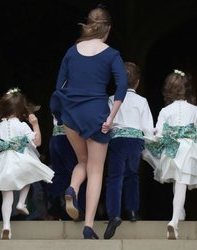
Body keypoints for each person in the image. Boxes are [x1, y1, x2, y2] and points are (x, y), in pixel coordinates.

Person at [50, 6, 128, 239]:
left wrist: (62, 112)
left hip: (71, 113)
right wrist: (111, 117)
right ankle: (88, 226)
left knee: (82, 161)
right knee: (96, 170)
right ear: (108, 29)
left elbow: (59, 85)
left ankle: (72, 188)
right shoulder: (112, 54)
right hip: (96, 113)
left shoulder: (72, 52)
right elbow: (122, 86)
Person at [0, 88, 54, 239]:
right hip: (20, 160)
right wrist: (35, 124)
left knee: (6, 197)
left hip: (2, 164)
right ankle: (21, 203)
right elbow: (37, 142)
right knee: (29, 175)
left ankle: (6, 226)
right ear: (21, 110)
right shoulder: (22, 125)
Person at [142, 69, 197, 240]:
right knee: (180, 181)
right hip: (188, 149)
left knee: (178, 181)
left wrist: (149, 135)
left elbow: (158, 135)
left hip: (172, 150)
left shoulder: (165, 111)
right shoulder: (195, 109)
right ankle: (174, 220)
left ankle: (179, 212)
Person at [103, 62, 154, 239]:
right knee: (132, 175)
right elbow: (148, 127)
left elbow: (107, 124)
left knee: (114, 177)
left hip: (117, 140)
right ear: (137, 82)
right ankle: (132, 210)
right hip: (135, 141)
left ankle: (114, 214)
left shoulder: (111, 99)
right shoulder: (142, 101)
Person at [45, 116, 86, 220]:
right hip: (70, 138)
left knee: (60, 175)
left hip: (55, 137)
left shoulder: (56, 99)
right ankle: (79, 208)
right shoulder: (73, 99)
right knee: (79, 174)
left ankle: (53, 204)